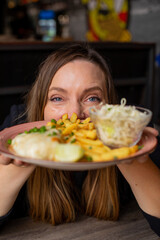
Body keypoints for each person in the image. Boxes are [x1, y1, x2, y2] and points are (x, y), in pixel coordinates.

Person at [0, 43, 160, 236]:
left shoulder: (131, 129)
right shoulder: (19, 129)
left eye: (92, 98)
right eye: (57, 98)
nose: (74, 113)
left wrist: (128, 151)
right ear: (41, 104)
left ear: (109, 106)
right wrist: (22, 155)